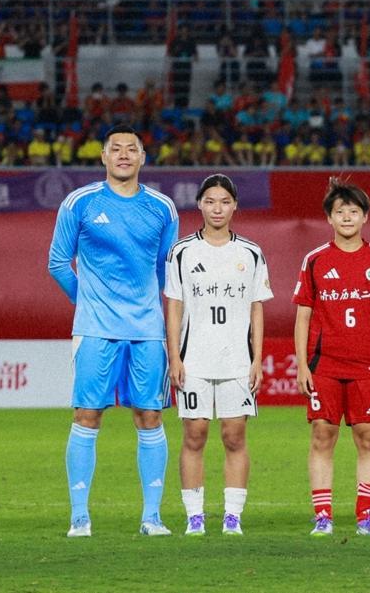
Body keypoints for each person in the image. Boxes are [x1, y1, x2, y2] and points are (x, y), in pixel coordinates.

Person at [48, 124, 179, 537]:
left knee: (150, 415)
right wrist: (87, 301)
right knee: (87, 415)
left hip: (148, 332)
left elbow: (167, 272)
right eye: (116, 148)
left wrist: (150, 309)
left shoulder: (162, 208)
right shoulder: (80, 202)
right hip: (95, 329)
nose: (124, 154)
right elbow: (57, 262)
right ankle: (79, 517)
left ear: (143, 158)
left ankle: (152, 517)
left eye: (131, 149)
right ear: (103, 156)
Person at [164, 174, 273, 536]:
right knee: (194, 434)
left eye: (224, 202)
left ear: (234, 206)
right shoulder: (182, 252)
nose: (217, 208)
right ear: (200, 204)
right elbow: (174, 307)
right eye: (210, 201)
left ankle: (232, 516)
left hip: (237, 361)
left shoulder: (250, 253)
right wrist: (174, 357)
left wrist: (257, 359)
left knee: (234, 436)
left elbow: (257, 307)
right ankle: (194, 516)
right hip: (194, 359)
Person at [292, 178, 370, 537]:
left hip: (367, 366)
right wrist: (302, 364)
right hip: (325, 365)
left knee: (368, 436)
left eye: (354, 211)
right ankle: (323, 516)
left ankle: (366, 516)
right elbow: (303, 316)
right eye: (340, 211)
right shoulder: (315, 260)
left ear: (365, 216)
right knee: (322, 434)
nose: (348, 217)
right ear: (329, 218)